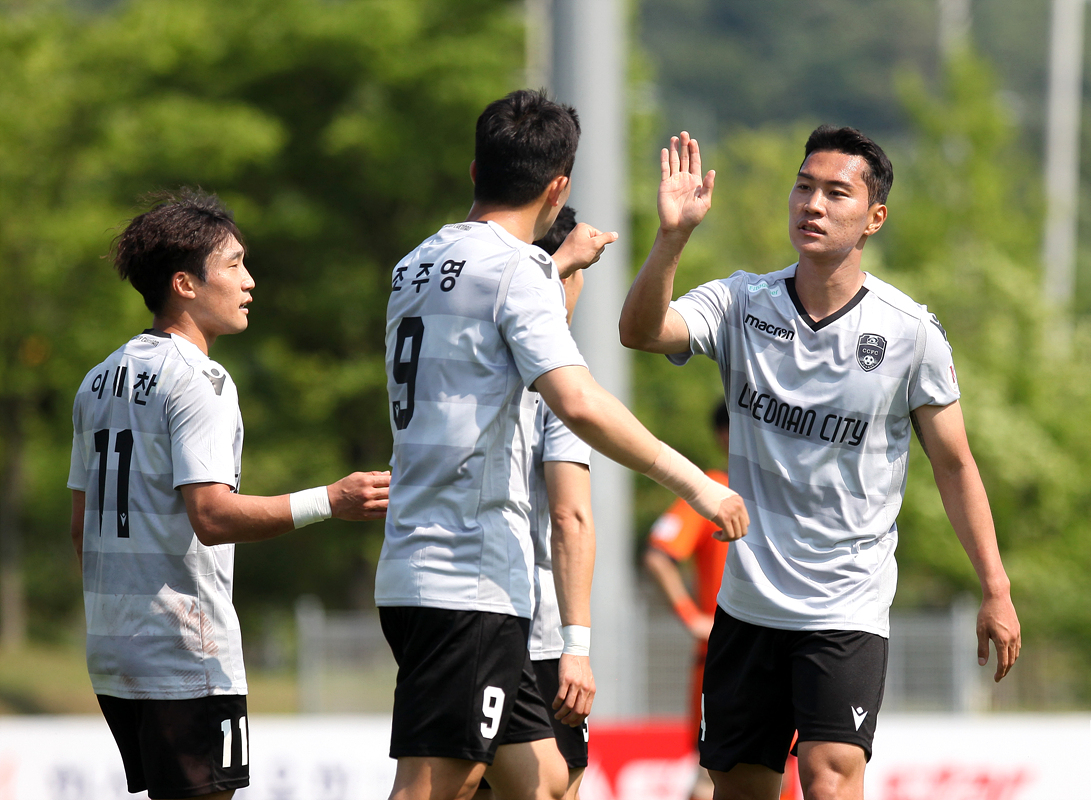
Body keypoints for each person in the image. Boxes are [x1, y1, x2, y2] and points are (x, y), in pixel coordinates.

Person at [618, 127, 1021, 800]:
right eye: (804, 187)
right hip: (748, 604)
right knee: (738, 788)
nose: (813, 204)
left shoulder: (910, 333)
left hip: (846, 605)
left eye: (836, 193)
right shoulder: (741, 302)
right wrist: (672, 238)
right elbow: (639, 332)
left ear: (874, 217)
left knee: (831, 778)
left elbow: (955, 465)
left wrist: (996, 588)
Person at [377, 89, 749, 800]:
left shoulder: (414, 265)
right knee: (434, 785)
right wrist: (696, 483)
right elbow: (577, 400)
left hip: (425, 564)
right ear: (558, 188)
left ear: (475, 170)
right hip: (465, 575)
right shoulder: (516, 270)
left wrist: (554, 268)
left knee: (545, 782)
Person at [67, 190, 390, 800]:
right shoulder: (199, 379)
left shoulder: (98, 379)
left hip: (113, 651)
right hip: (183, 655)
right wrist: (332, 499)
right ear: (185, 284)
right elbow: (212, 516)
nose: (249, 281)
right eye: (235, 264)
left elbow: (82, 528)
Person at [475, 208, 595, 800]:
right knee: (555, 785)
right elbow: (570, 518)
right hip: (536, 628)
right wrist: (577, 648)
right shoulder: (562, 378)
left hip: (459, 608)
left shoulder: (471, 359)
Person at [643, 401, 729, 800]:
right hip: (724, 658)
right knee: (713, 774)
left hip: (781, 651)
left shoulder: (784, 492)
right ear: (725, 435)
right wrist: (691, 616)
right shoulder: (714, 490)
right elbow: (658, 556)